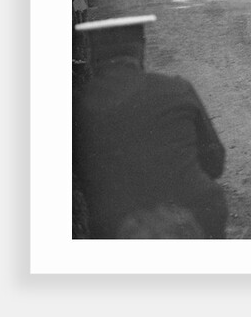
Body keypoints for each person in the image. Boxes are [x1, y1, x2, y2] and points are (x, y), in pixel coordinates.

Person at [74, 16, 227, 239]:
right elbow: (215, 163)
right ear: (141, 49)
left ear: (92, 55)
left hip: (116, 228)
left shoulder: (76, 105)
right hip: (197, 215)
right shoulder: (178, 88)